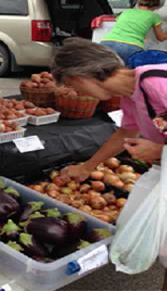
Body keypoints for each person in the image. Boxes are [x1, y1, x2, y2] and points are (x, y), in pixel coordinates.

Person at [53, 38, 167, 291]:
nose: (78, 94)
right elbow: (125, 133)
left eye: (72, 85)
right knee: (150, 235)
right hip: (162, 171)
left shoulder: (156, 82)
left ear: (81, 76)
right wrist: (86, 167)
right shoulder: (131, 93)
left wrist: (160, 149)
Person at [101, 0, 167, 64]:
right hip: (131, 46)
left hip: (107, 42)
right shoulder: (154, 16)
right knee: (127, 72)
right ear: (155, 7)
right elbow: (161, 37)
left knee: (104, 69)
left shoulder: (127, 11)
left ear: (139, 4)